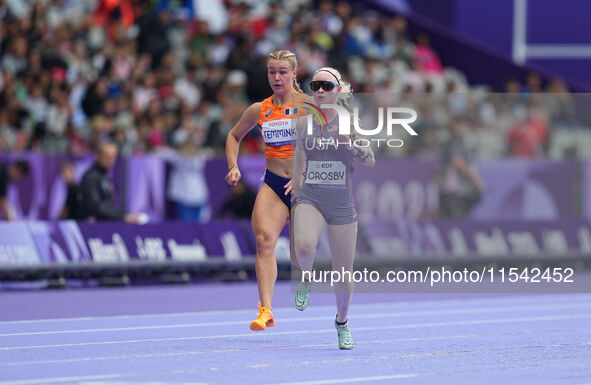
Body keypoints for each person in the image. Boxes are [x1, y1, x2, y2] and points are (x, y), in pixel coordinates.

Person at [291, 67, 375, 349]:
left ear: (339, 90)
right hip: (312, 197)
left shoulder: (351, 122)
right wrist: (296, 183)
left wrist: (352, 145)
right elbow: (299, 159)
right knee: (303, 247)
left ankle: (342, 321)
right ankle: (306, 276)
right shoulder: (303, 124)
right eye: (316, 85)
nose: (321, 91)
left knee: (343, 272)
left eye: (327, 86)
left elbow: (370, 160)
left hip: (341, 203)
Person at [225, 49, 307, 331]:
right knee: (263, 241)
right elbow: (234, 135)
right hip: (273, 184)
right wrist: (233, 165)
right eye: (272, 72)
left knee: (302, 248)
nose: (277, 77)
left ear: (294, 74)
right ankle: (266, 310)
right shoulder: (259, 109)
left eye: (283, 71)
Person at [79, 142, 143, 223]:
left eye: (113, 157)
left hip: (105, 224)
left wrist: (125, 215)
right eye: (107, 157)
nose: (110, 160)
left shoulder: (103, 176)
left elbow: (108, 205)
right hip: (94, 228)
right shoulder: (91, 177)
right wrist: (122, 217)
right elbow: (95, 206)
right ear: (97, 156)